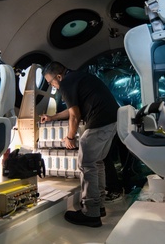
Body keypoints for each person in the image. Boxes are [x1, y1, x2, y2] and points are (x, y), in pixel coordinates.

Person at [40, 61, 118, 227]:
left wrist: (69, 137)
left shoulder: (66, 83)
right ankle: (99, 206)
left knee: (86, 164)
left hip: (99, 121)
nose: (52, 86)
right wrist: (52, 117)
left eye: (50, 82)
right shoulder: (77, 77)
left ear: (58, 76)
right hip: (111, 121)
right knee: (97, 163)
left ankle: (91, 214)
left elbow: (75, 116)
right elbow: (72, 109)